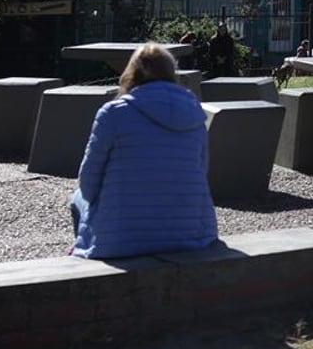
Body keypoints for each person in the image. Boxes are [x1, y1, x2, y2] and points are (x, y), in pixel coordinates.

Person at [70, 42, 218, 259]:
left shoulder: (113, 113)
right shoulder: (194, 112)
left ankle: (84, 253)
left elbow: (89, 184)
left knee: (77, 197)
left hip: (120, 240)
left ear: (131, 73)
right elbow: (201, 171)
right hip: (191, 235)